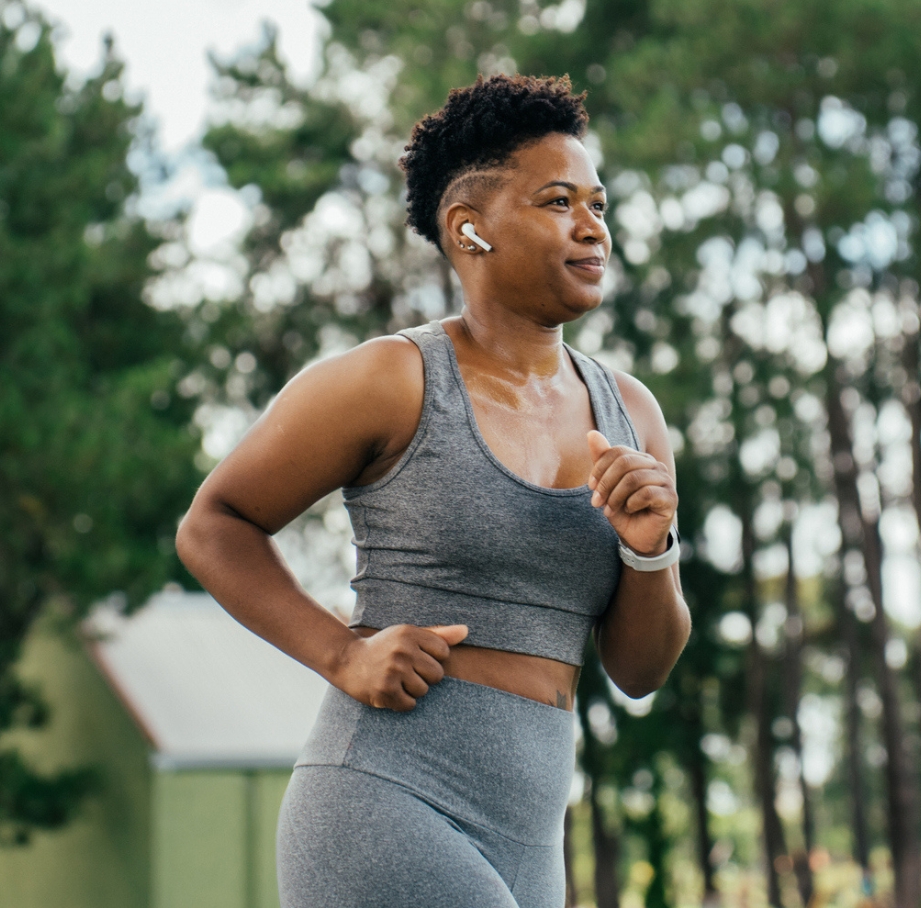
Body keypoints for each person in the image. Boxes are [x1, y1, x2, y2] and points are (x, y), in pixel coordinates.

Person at [176, 73, 691, 908]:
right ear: (470, 229)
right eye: (558, 202)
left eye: (598, 204)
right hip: (385, 803)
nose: (591, 225)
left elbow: (641, 669)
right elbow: (214, 524)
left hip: (531, 838)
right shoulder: (391, 381)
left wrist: (648, 551)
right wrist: (343, 654)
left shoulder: (630, 412)